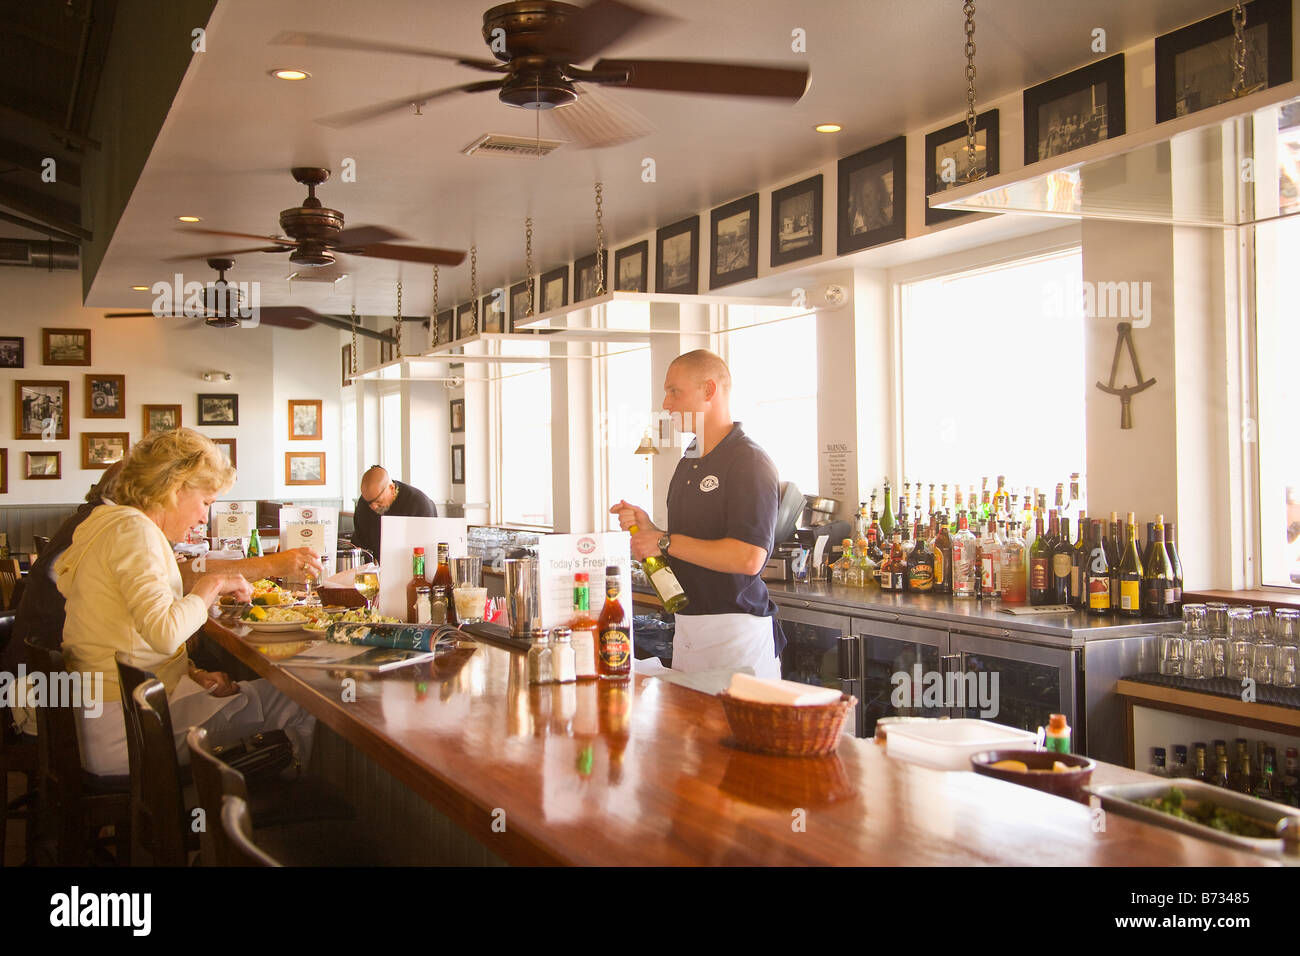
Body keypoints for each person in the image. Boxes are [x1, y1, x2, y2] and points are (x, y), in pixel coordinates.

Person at [53, 428, 316, 776]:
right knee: (301, 697)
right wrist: (213, 583)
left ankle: (227, 815)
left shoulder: (104, 523)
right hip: (128, 731)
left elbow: (127, 634)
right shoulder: (136, 532)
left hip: (100, 720)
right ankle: (258, 823)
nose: (203, 517)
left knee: (262, 694)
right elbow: (163, 633)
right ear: (175, 488)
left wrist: (191, 673)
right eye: (206, 502)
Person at [3, 461, 323, 673]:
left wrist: (189, 671)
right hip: (55, 692)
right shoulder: (122, 528)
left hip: (63, 680)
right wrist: (265, 566)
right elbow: (164, 629)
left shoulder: (93, 522)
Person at [610, 349, 783, 679]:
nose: (666, 403)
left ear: (709, 390)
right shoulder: (691, 457)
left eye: (674, 391)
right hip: (688, 629)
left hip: (735, 636)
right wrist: (651, 529)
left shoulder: (749, 461)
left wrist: (662, 541)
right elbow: (689, 543)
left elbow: (748, 558)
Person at [349, 465, 437, 557]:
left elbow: (427, 549)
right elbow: (359, 543)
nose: (373, 507)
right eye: (369, 502)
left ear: (392, 488)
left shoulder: (419, 504)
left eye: (378, 501)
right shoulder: (363, 505)